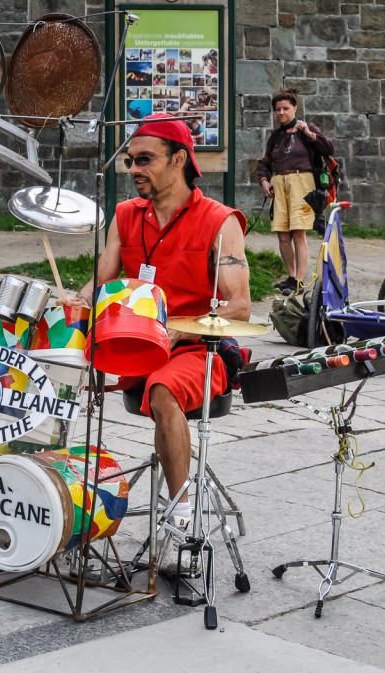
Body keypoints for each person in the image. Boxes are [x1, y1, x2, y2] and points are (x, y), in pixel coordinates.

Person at [66, 113, 251, 540]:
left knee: (164, 390)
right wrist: (76, 301)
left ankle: (181, 512)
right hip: (136, 348)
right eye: (130, 161)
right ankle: (53, 495)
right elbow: (102, 279)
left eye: (145, 160)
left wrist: (182, 331)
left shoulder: (220, 221)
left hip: (197, 351)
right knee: (59, 365)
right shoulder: (125, 215)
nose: (134, 170)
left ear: (179, 159)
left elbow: (239, 309)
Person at [257, 88, 336, 293]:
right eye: (278, 109)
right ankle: (291, 276)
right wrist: (264, 180)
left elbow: (329, 148)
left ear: (295, 108)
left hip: (302, 182)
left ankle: (300, 280)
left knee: (298, 233)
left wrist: (310, 134)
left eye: (285, 108)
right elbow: (264, 162)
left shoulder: (307, 129)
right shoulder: (276, 137)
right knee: (283, 234)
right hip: (279, 183)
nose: (281, 113)